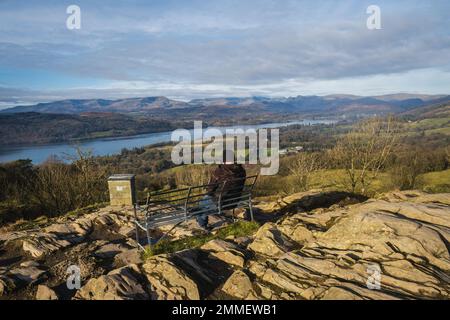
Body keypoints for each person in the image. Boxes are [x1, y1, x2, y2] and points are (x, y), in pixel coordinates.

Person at [196, 150, 246, 230]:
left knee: (200, 206)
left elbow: (210, 189)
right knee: (204, 202)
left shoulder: (220, 171)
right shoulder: (241, 171)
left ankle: (203, 225)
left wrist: (208, 194)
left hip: (220, 203)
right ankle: (202, 220)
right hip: (234, 201)